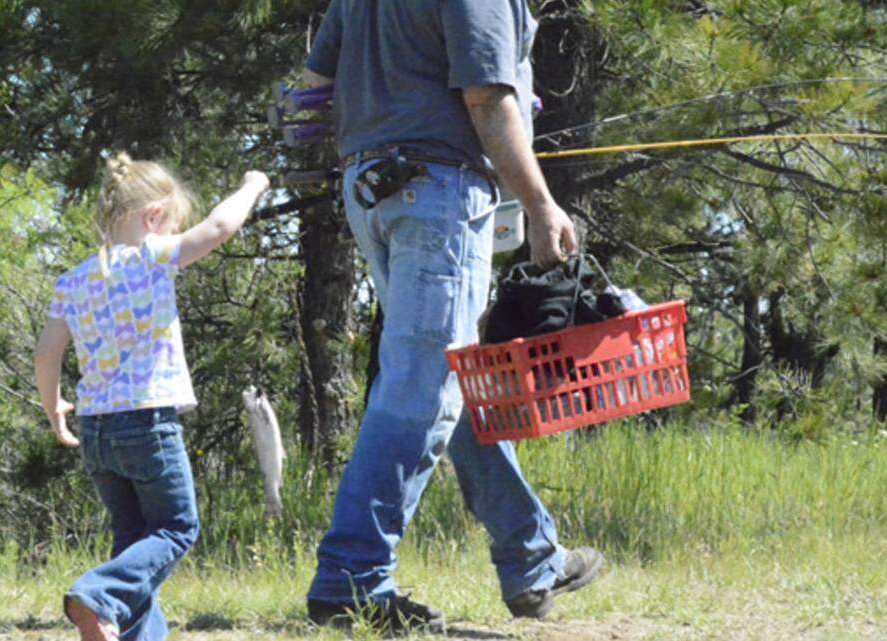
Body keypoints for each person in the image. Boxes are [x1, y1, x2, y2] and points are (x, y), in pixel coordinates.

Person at [302, 0, 603, 631]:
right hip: (436, 194)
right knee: (422, 390)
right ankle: (350, 579)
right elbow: (486, 103)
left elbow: (312, 91)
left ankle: (531, 557)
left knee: (452, 380)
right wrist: (541, 205)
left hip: (371, 190)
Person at [34, 154, 269, 641]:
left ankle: (131, 630)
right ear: (154, 217)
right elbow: (222, 225)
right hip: (147, 424)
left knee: (134, 544)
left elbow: (47, 352)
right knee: (176, 529)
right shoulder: (154, 256)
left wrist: (54, 408)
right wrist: (253, 184)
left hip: (97, 430)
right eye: (173, 224)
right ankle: (96, 596)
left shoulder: (72, 280)